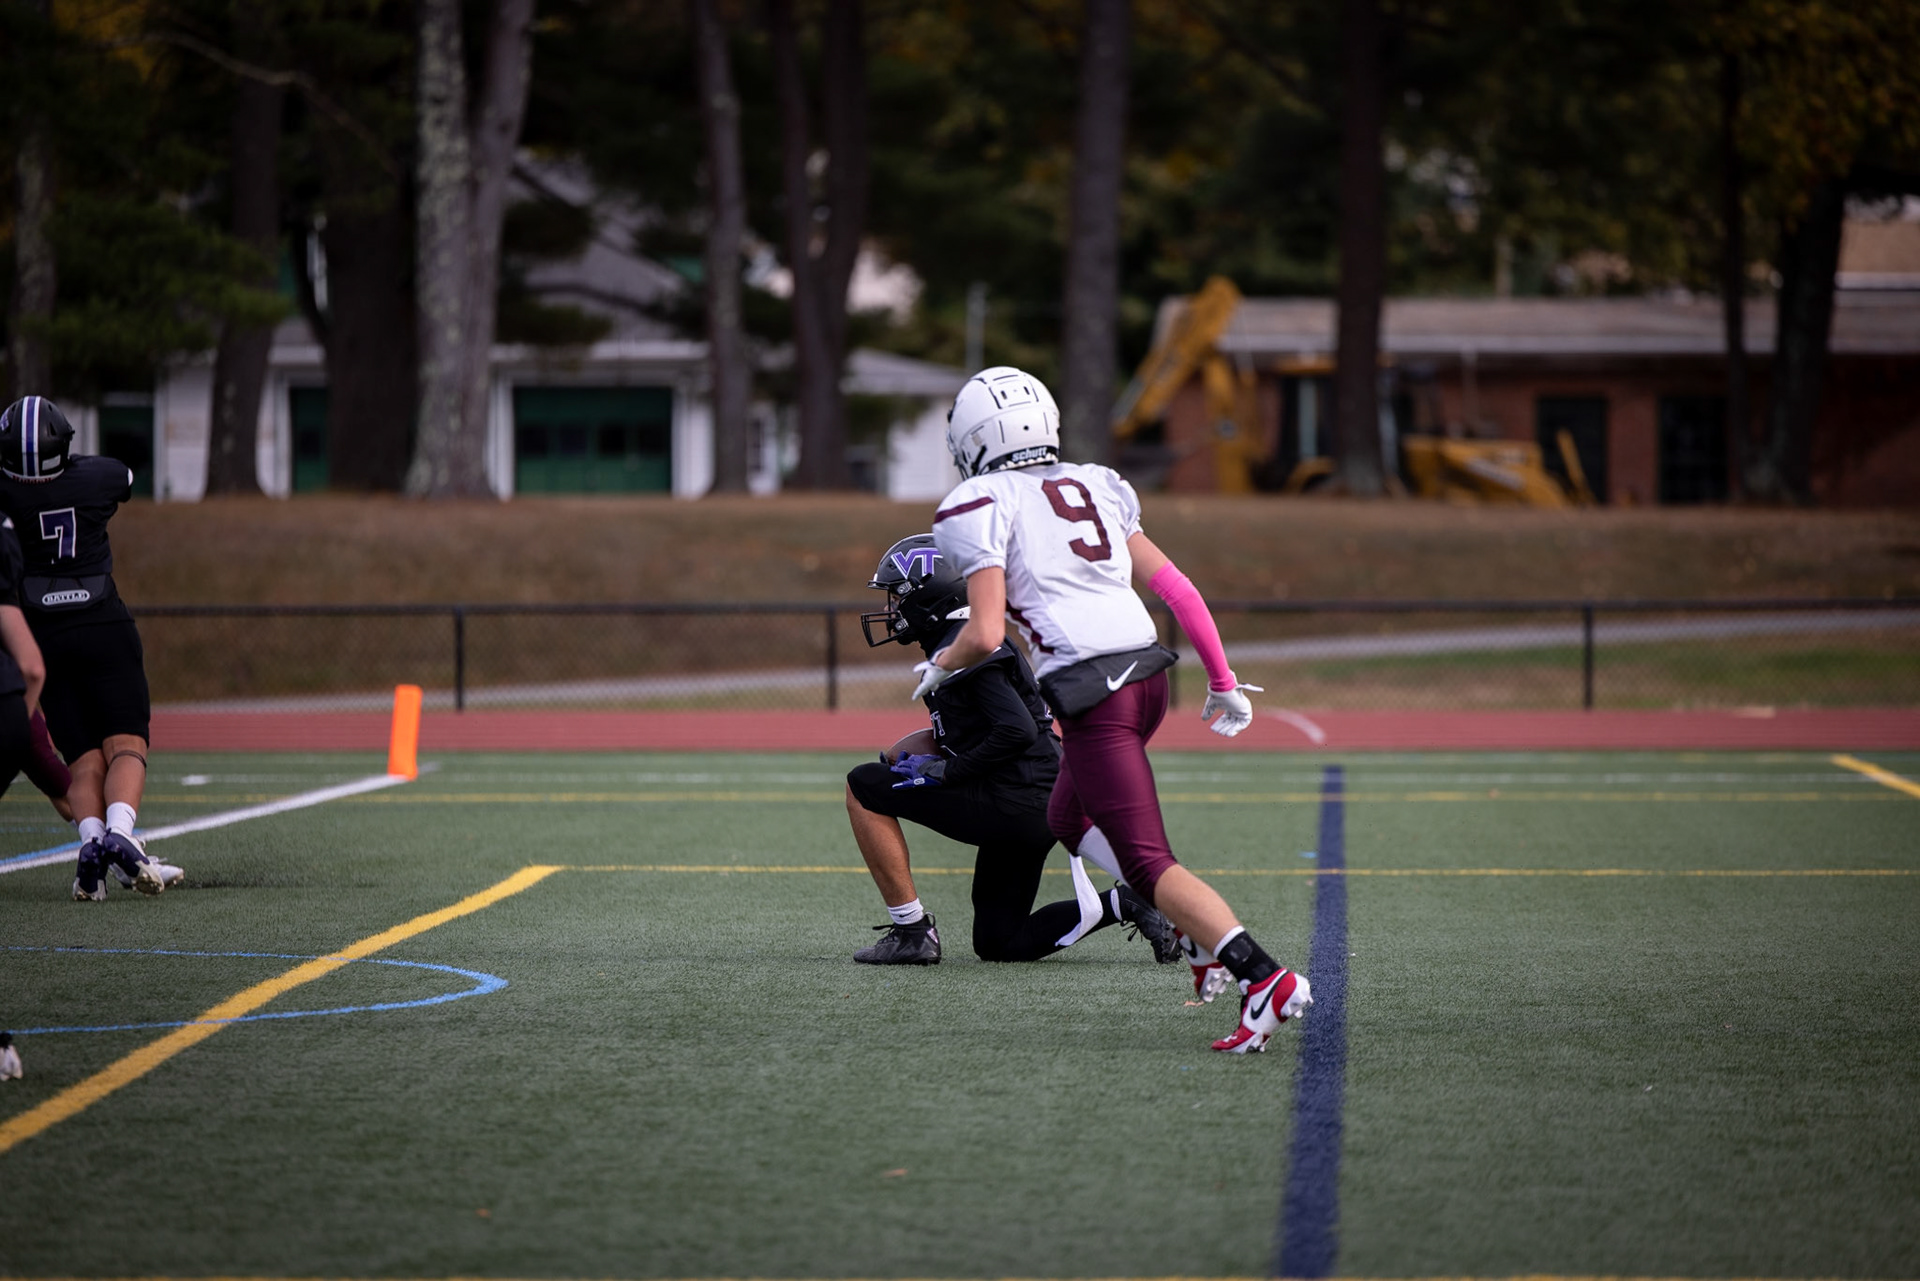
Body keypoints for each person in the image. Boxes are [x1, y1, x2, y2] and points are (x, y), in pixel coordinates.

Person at [918, 366, 1311, 1053]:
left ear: (975, 438)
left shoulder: (977, 502)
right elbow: (1177, 587)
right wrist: (1221, 679)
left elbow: (982, 633)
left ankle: (1262, 975)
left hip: (1096, 691)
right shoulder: (1094, 481)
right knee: (1066, 817)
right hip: (1149, 676)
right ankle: (1196, 931)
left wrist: (936, 667)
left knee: (1148, 862)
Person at [846, 533, 1181, 967]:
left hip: (1014, 797)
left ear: (927, 595)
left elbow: (1015, 731)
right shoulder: (962, 638)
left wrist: (947, 773)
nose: (892, 610)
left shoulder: (966, 645)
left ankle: (912, 930)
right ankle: (1125, 904)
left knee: (863, 785)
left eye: (898, 596)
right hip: (1037, 799)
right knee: (999, 942)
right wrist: (916, 753)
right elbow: (984, 726)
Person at [0, 396, 179, 900]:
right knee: (126, 744)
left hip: (43, 633)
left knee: (82, 761)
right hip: (102, 622)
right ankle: (120, 831)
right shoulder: (97, 478)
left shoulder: (5, 493)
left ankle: (91, 846)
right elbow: (121, 478)